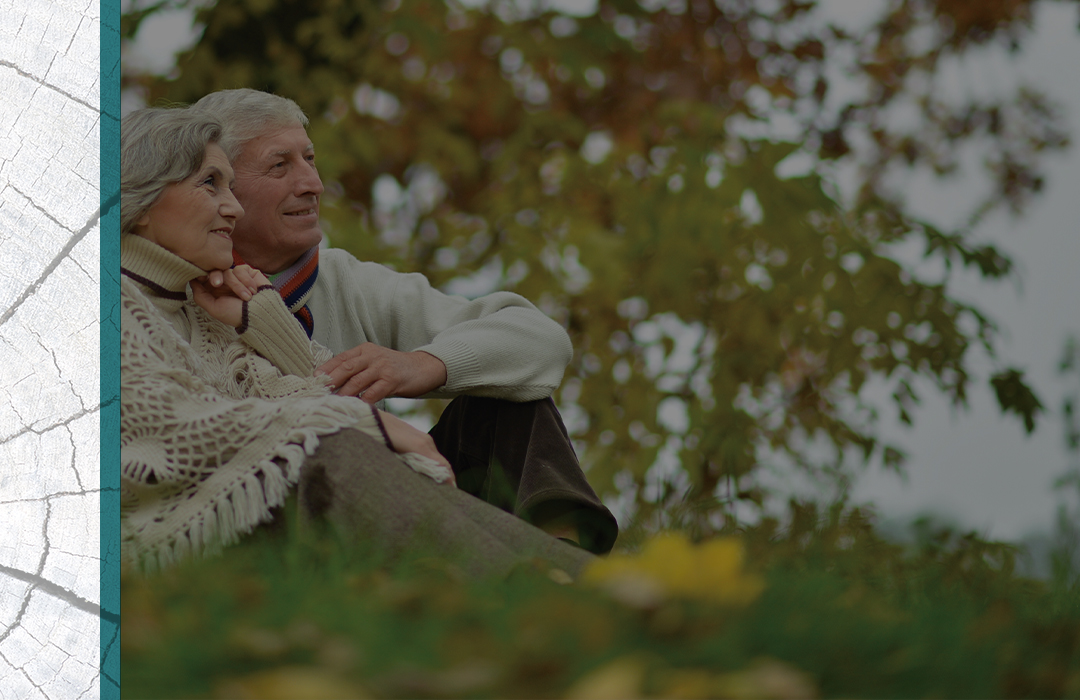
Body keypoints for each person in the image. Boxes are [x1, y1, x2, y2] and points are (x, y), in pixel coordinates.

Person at [120, 106, 594, 578]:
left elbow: (539, 339)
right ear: (142, 199)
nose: (312, 184)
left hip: (343, 490)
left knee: (508, 395)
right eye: (279, 166)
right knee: (333, 451)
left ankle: (576, 570)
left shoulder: (297, 290)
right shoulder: (119, 301)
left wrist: (423, 364)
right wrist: (358, 422)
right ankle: (558, 590)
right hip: (251, 522)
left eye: (311, 160)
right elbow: (179, 424)